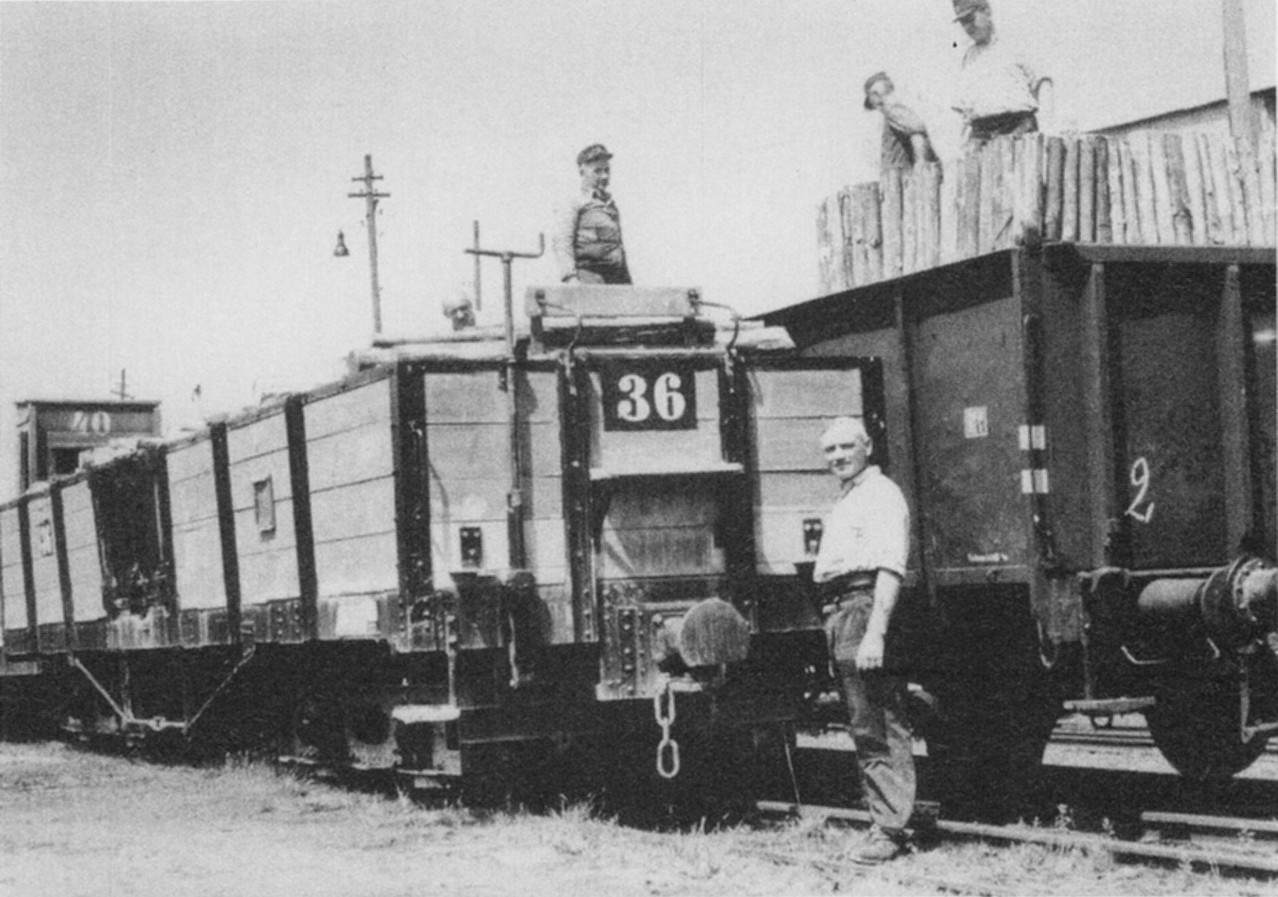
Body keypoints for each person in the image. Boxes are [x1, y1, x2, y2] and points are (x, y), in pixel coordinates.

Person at [812, 416, 914, 865]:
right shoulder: (850, 496)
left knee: (876, 719)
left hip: (862, 606)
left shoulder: (881, 495)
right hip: (842, 609)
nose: (837, 457)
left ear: (867, 446)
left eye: (845, 447)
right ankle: (885, 820)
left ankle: (890, 830)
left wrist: (876, 631)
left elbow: (890, 567)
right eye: (829, 450)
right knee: (862, 720)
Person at [950, 0, 1053, 148]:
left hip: (1018, 127)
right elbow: (964, 111)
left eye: (970, 19)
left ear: (987, 11)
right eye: (963, 22)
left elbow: (1043, 83)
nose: (968, 27)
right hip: (982, 133)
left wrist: (1048, 129)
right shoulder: (969, 57)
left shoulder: (1015, 44)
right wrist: (960, 146)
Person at [551, 143, 632, 285]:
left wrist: (628, 284)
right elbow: (562, 240)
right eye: (598, 171)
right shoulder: (574, 201)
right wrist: (570, 278)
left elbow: (618, 247)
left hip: (615, 278)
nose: (604, 176)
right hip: (589, 277)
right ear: (582, 171)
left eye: (607, 170)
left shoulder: (609, 205)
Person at [863, 71, 938, 170]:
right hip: (896, 171)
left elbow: (917, 128)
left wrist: (921, 163)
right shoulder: (892, 108)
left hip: (900, 172)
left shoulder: (891, 108)